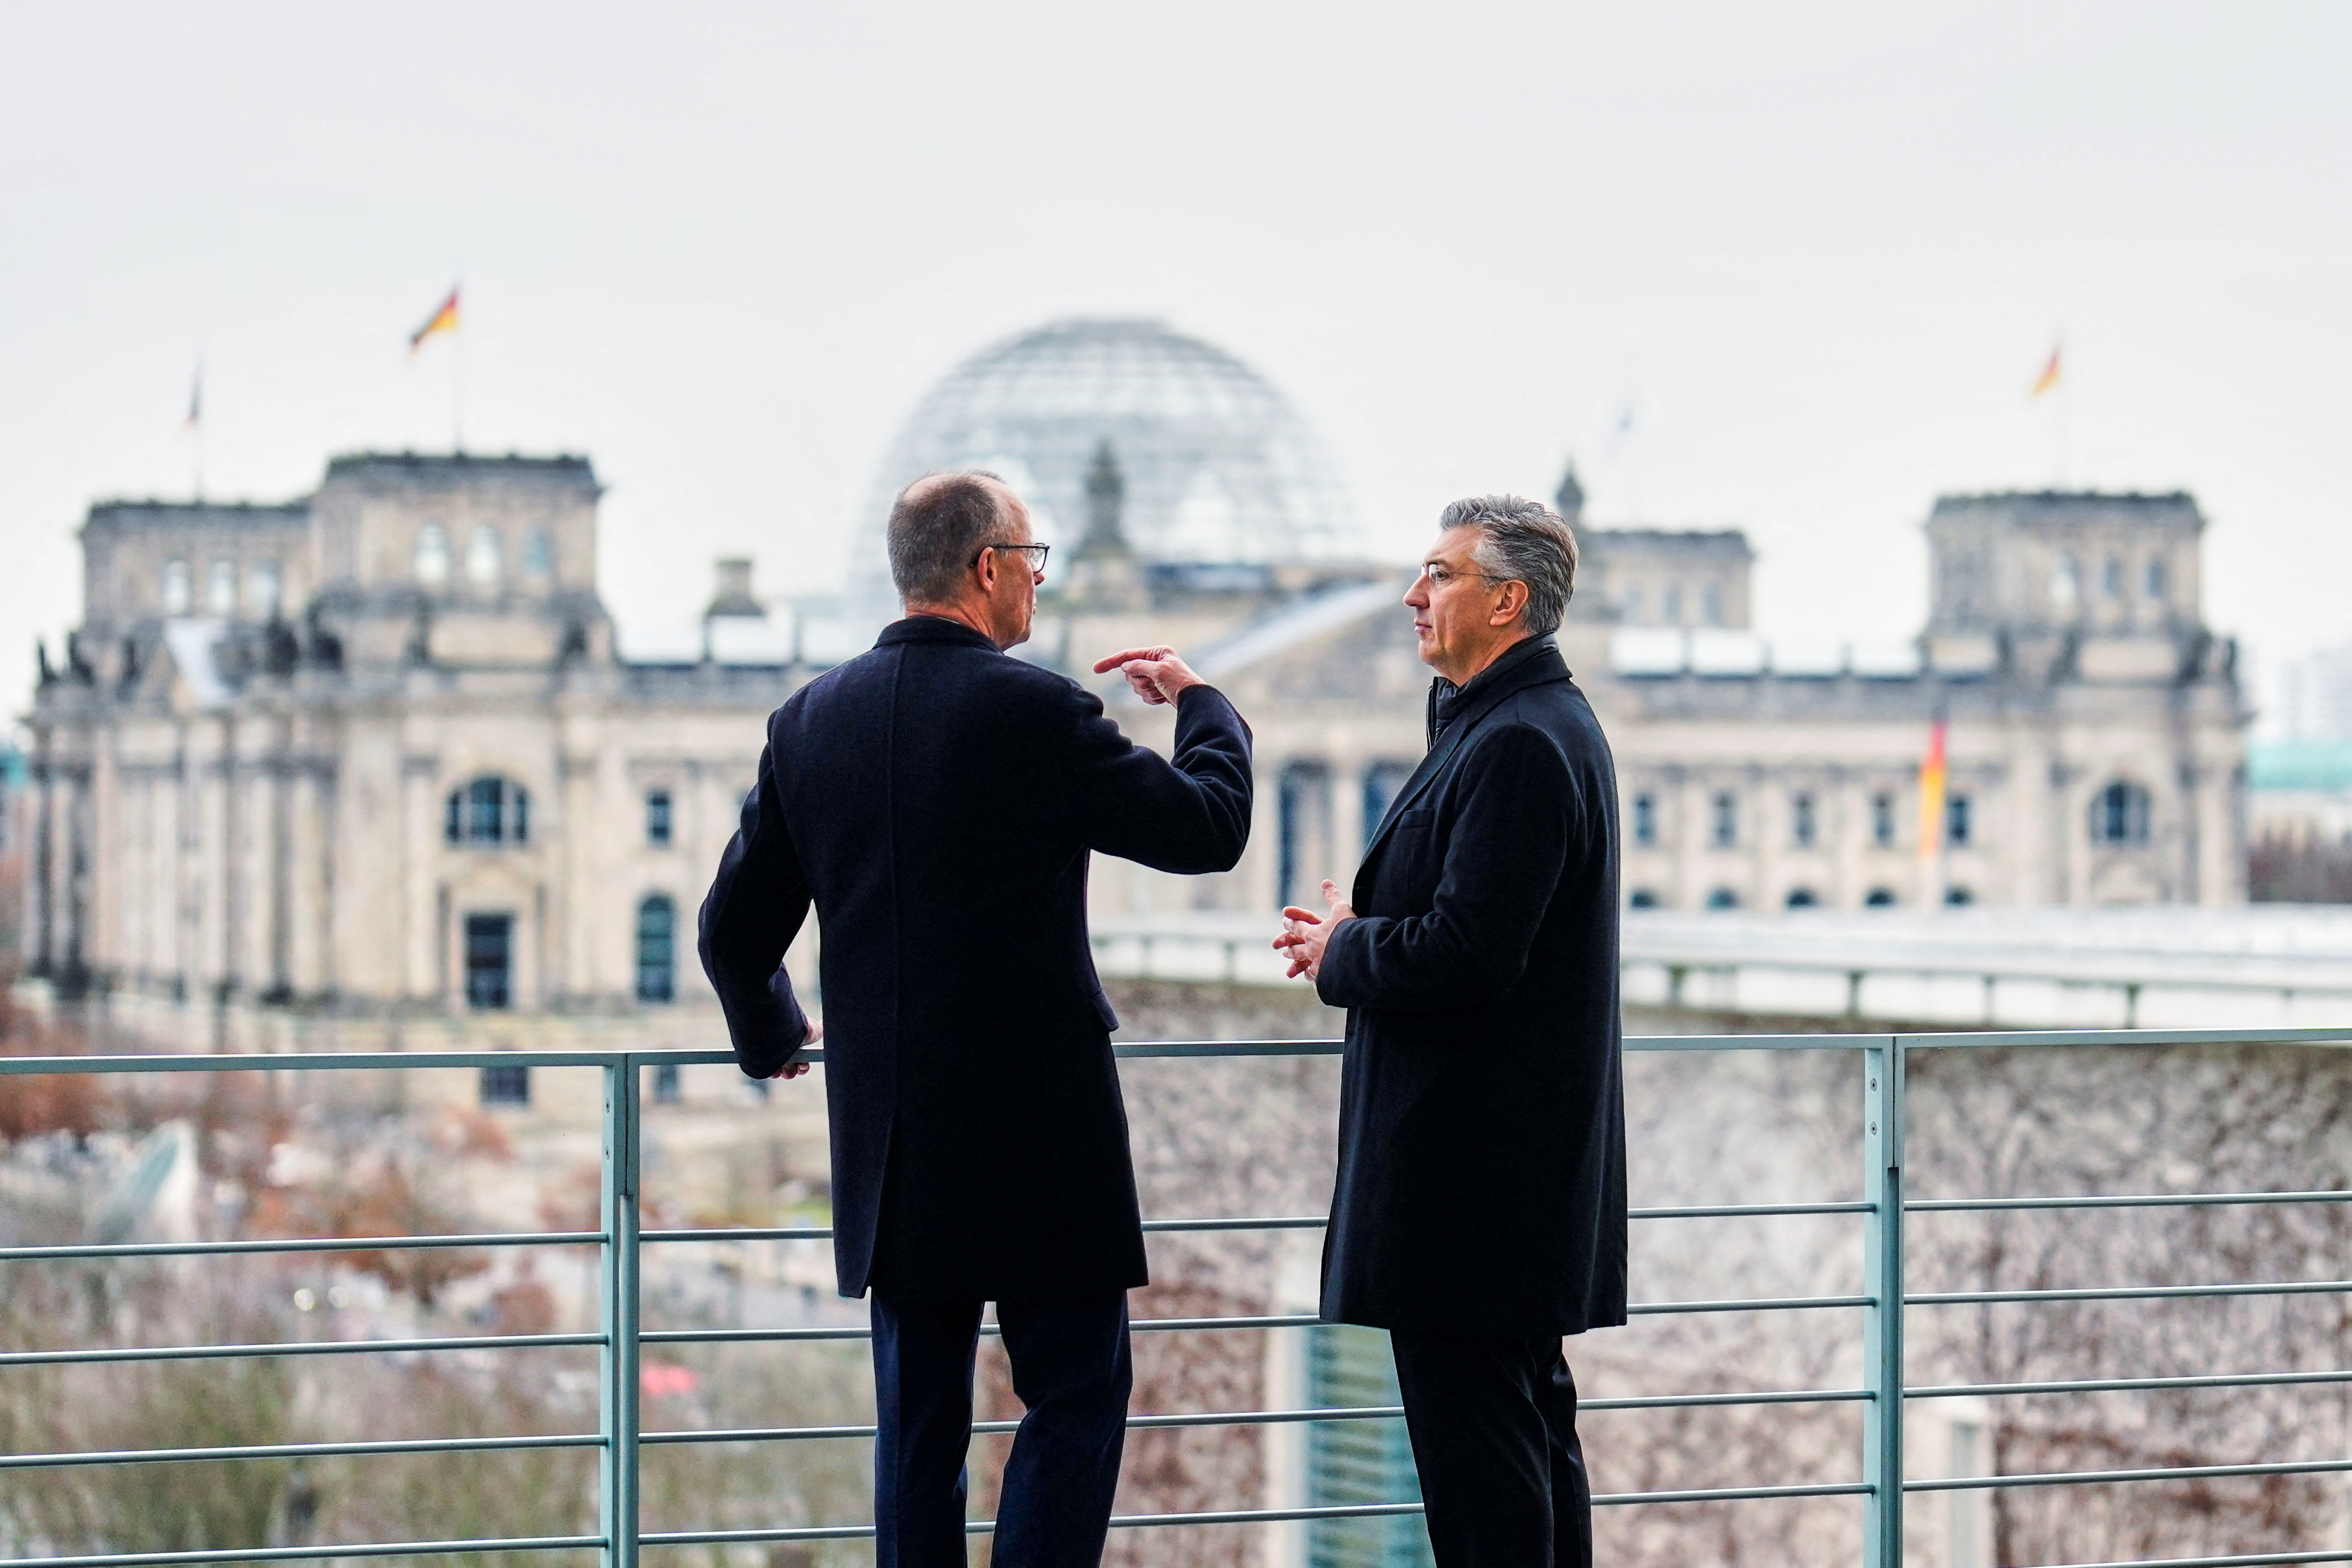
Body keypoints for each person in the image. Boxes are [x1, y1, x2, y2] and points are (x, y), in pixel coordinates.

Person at [699, 472, 1253, 1568]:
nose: (1035, 589)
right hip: (1044, 1134)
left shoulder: (809, 722)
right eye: (1032, 564)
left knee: (915, 1432)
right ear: (989, 568)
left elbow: (729, 932)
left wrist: (774, 1038)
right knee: (1075, 1396)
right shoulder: (1036, 711)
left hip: (895, 1139)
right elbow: (1207, 828)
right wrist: (1201, 703)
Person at [1273, 493, 1626, 1568]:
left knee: (1481, 1480)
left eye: (1439, 574)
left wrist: (1341, 950)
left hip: (1472, 1179)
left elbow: (1470, 951)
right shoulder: (1510, 723)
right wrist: (1359, 931)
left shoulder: (1518, 740)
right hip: (1501, 1179)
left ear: (1508, 601)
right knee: (1523, 1449)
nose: (1411, 595)